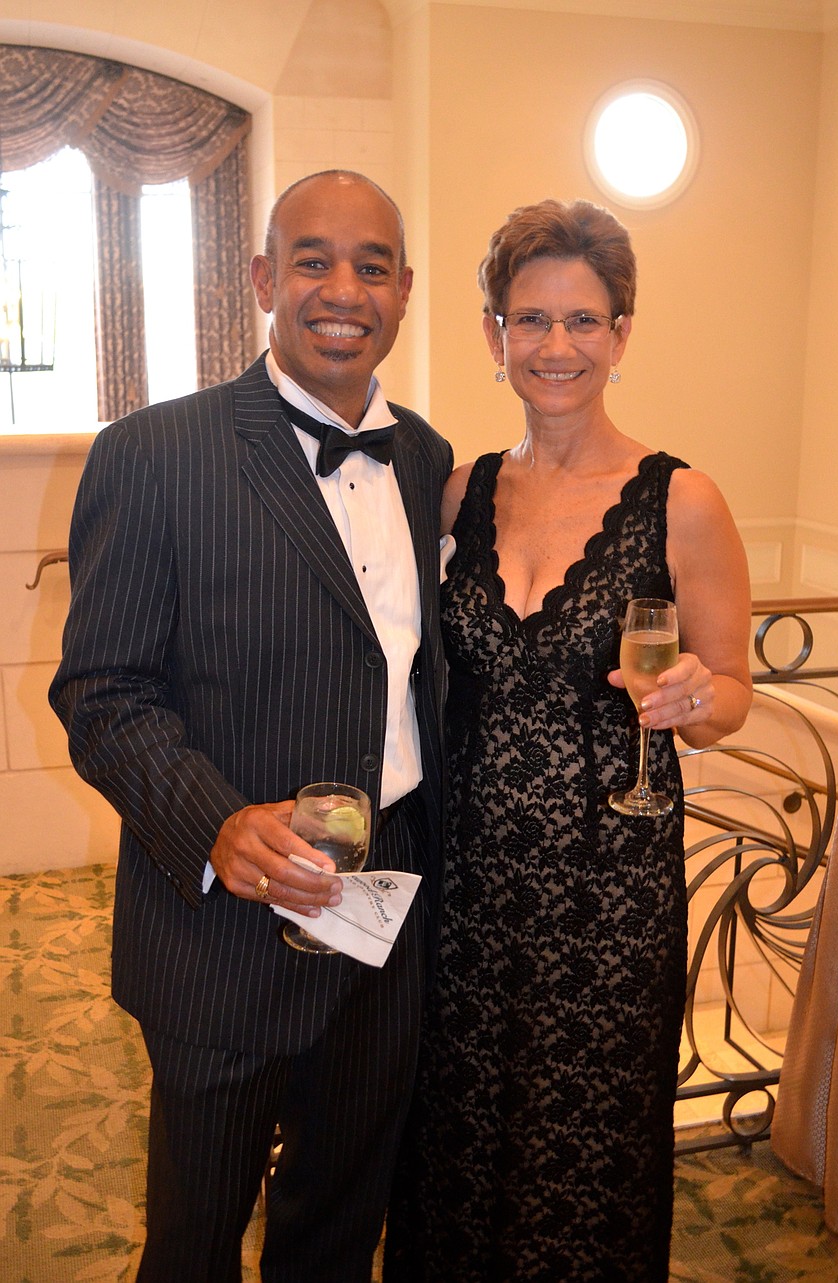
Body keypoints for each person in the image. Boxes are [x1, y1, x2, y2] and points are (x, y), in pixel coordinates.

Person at [49, 170, 453, 1283]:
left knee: (337, 1231)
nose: (344, 289)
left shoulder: (425, 458)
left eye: (372, 266)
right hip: (220, 942)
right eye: (313, 261)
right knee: (194, 1242)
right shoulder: (152, 452)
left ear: (404, 291)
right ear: (266, 279)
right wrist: (217, 824)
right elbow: (102, 691)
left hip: (383, 925)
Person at [383, 197, 753, 1282]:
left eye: (584, 320)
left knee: (580, 1160)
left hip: (610, 898)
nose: (557, 345)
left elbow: (731, 690)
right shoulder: (458, 492)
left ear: (621, 334)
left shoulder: (682, 500)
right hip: (467, 888)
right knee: (454, 1146)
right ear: (494, 335)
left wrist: (698, 697)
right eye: (531, 319)